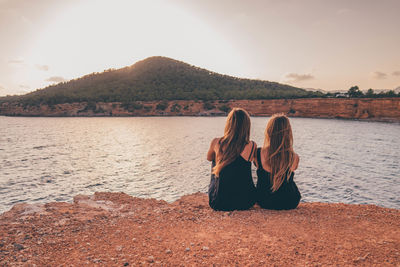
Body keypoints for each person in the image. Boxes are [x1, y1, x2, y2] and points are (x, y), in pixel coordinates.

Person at [207, 108, 257, 211]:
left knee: (215, 161)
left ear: (228, 124)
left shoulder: (216, 142)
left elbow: (209, 158)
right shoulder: (251, 145)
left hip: (218, 203)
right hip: (245, 201)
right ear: (246, 126)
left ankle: (219, 190)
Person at [255, 113, 301, 210]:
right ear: (288, 133)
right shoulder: (294, 157)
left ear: (268, 131)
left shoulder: (258, 153)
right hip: (290, 201)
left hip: (265, 201)